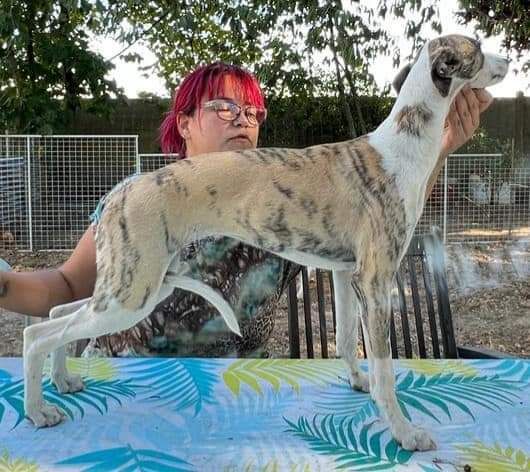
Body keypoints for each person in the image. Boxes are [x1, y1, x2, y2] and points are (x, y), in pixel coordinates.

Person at [0, 62, 493, 357]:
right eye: (224, 108)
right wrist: (6, 285)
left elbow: (387, 219)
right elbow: (69, 286)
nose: (243, 120)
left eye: (253, 112)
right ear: (184, 124)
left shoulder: (284, 203)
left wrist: (436, 149)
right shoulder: (143, 199)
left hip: (237, 395)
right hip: (128, 386)